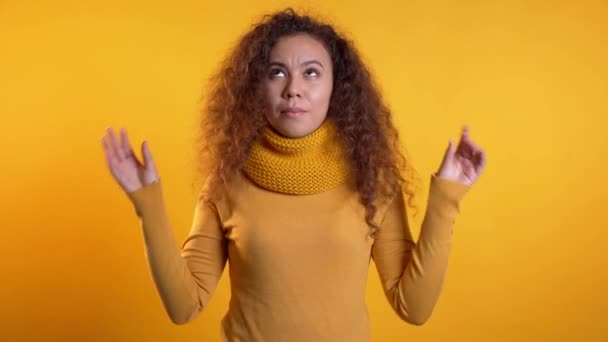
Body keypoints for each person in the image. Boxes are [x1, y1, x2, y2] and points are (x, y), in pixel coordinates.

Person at [101, 8, 486, 342]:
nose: (294, 89)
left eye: (312, 73)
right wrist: (146, 201)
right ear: (257, 87)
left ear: (337, 87)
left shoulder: (373, 181)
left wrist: (447, 198)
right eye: (277, 72)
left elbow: (413, 307)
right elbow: (185, 305)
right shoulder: (225, 183)